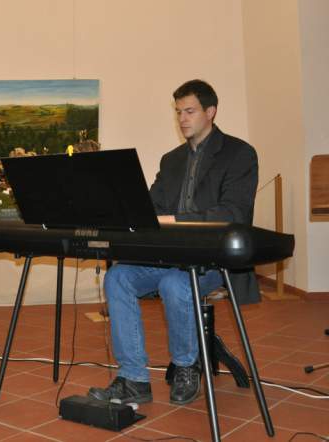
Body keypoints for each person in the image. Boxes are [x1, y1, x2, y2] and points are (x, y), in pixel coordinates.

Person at [88, 80, 259, 406]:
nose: (182, 119)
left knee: (175, 283)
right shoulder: (171, 160)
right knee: (118, 276)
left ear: (211, 111)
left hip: (213, 258)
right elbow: (151, 209)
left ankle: (186, 367)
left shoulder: (239, 154)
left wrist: (176, 220)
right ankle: (133, 379)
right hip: (169, 256)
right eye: (178, 112)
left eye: (189, 111)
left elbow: (234, 213)